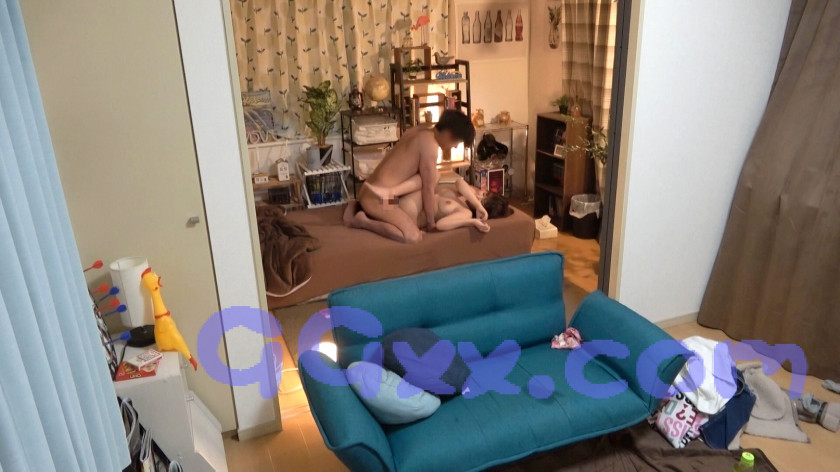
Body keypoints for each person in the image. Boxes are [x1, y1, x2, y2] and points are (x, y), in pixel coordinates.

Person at [353, 110, 475, 243]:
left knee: (434, 175)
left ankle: (361, 206)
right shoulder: (430, 145)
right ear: (448, 134)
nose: (455, 146)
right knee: (413, 237)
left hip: (375, 193)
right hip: (378, 200)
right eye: (457, 142)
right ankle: (363, 222)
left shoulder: (418, 130)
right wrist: (431, 223)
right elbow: (427, 188)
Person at [345, 174, 513, 238]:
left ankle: (362, 221)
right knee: (433, 176)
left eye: (483, 198)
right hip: (404, 200)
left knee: (382, 210)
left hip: (411, 212)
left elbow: (441, 224)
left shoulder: (465, 213)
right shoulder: (462, 194)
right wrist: (478, 203)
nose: (479, 193)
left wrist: (473, 221)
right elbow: (459, 182)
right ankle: (360, 207)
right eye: (483, 192)